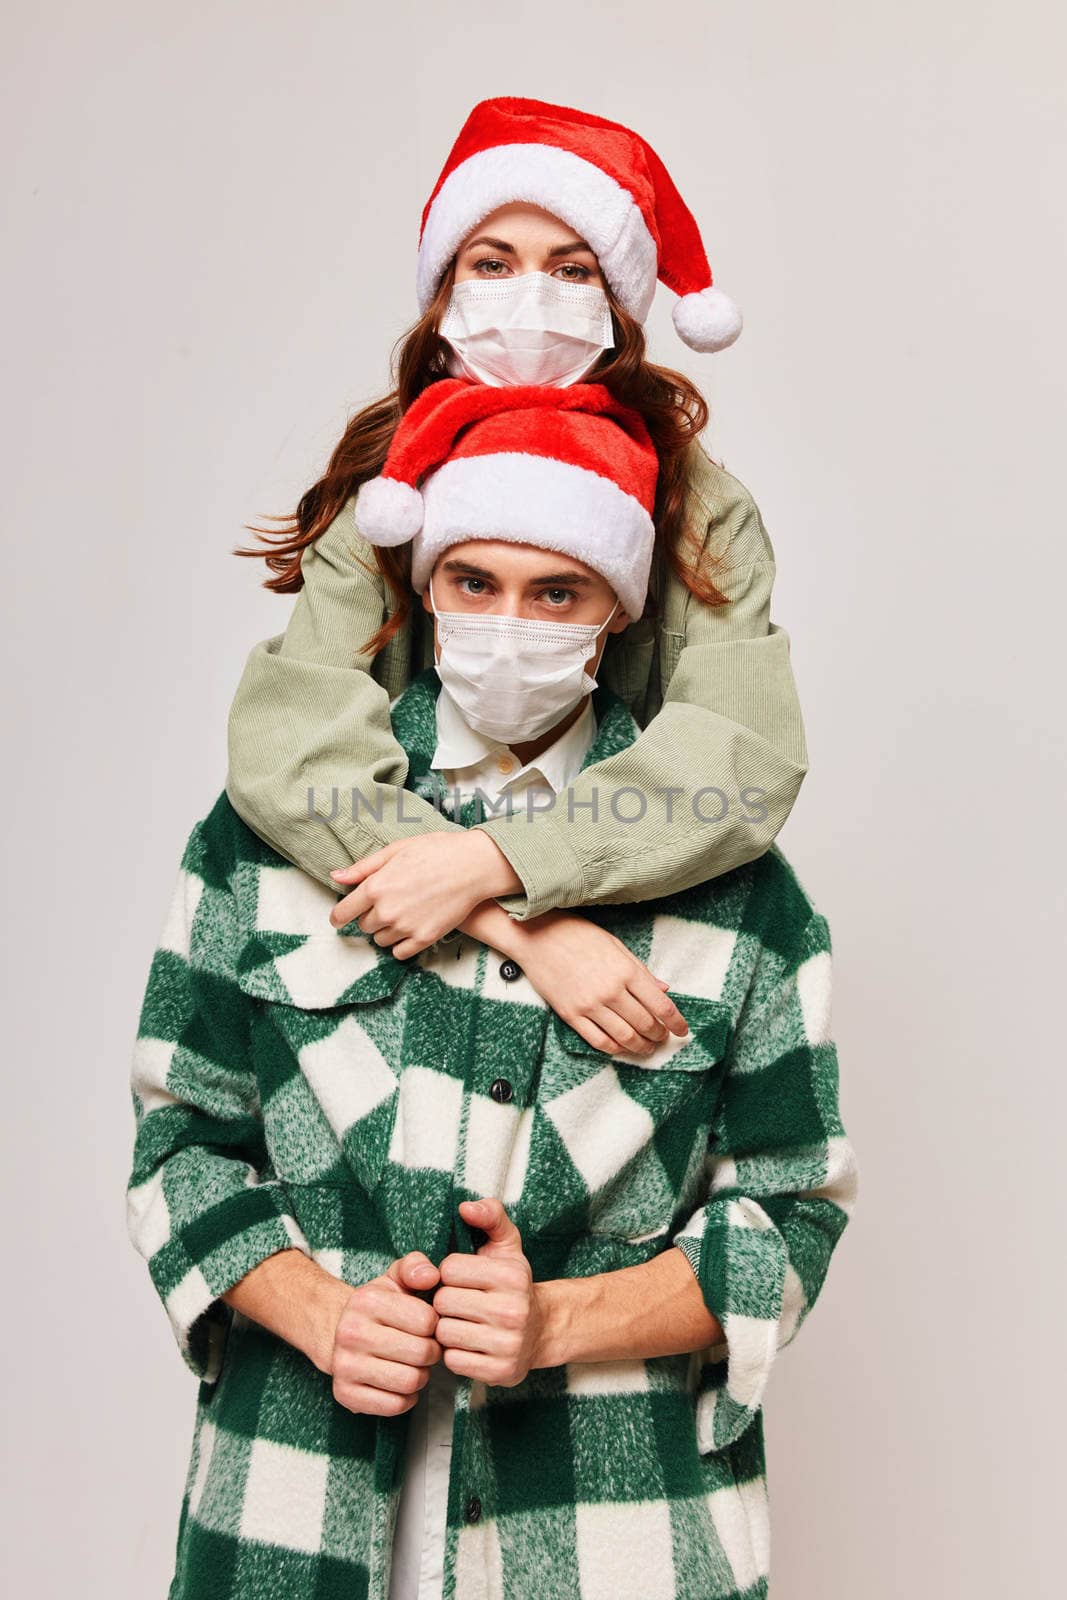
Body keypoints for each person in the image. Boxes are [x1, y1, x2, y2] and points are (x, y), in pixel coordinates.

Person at [126, 383, 857, 1600]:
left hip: (616, 1541)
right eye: (473, 583)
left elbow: (794, 1209)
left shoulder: (737, 889)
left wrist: (557, 1325)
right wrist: (316, 1310)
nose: (508, 625)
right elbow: (180, 1137)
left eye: (555, 591)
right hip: (281, 1523)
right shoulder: (265, 838)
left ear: (613, 610)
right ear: (422, 588)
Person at [224, 96, 810, 1057]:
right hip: (391, 924)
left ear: (617, 298)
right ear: (444, 289)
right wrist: (511, 920)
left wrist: (506, 860)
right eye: (492, 264)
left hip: (634, 906)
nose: (527, 296)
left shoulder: (702, 515)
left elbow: (738, 758)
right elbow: (292, 747)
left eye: (569, 268)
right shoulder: (385, 493)